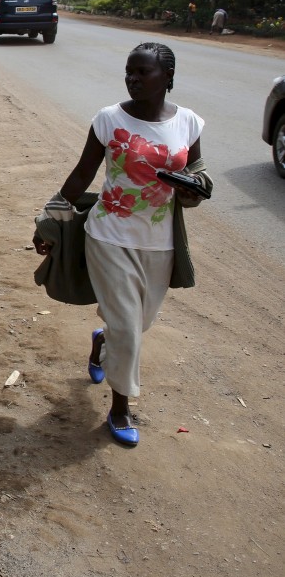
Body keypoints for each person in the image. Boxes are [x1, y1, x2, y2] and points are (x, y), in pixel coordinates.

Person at [32, 42, 211, 447]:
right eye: (129, 72)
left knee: (138, 324)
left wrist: (190, 192)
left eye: (142, 73)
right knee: (129, 330)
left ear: (167, 77)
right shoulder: (109, 120)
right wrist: (49, 223)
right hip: (109, 235)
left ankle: (102, 343)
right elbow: (81, 175)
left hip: (159, 242)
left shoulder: (189, 123)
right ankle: (120, 406)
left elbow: (198, 183)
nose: (132, 79)